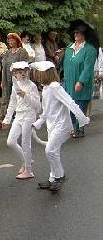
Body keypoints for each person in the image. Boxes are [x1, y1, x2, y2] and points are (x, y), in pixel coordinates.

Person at [31, 61, 90, 192]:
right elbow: (46, 112)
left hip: (62, 125)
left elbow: (70, 103)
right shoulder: (46, 88)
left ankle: (60, 176)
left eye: (37, 73)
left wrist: (83, 119)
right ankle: (53, 178)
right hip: (52, 125)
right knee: (54, 152)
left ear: (44, 74)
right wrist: (38, 123)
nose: (35, 75)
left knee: (50, 150)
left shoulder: (54, 86)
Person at [58, 20, 99, 138]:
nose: (76, 35)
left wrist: (81, 81)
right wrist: (60, 57)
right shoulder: (69, 48)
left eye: (79, 33)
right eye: (75, 33)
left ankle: (80, 129)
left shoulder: (90, 50)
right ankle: (72, 127)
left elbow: (88, 68)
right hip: (69, 82)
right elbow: (63, 65)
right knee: (70, 105)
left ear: (84, 35)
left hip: (81, 83)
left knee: (80, 105)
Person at [1, 62, 41, 179]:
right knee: (11, 142)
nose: (22, 73)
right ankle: (26, 160)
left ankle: (29, 171)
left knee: (25, 143)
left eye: (24, 71)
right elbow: (12, 103)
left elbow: (38, 106)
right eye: (19, 72)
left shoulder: (32, 86)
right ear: (15, 74)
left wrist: (25, 96)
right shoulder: (15, 85)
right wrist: (7, 119)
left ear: (28, 72)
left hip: (29, 116)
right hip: (18, 116)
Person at [0, 33, 29, 129]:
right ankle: (1, 119)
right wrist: (2, 80)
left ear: (17, 41)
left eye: (12, 40)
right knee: (5, 98)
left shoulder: (22, 52)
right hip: (7, 78)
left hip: (17, 79)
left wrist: (22, 81)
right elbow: (4, 67)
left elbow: (24, 67)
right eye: (9, 40)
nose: (10, 42)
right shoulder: (8, 52)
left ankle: (18, 119)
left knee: (17, 100)